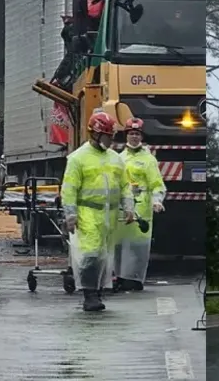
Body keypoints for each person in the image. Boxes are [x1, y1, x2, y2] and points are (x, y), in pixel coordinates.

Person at [62, 111, 134, 311]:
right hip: (88, 213)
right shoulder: (78, 158)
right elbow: (69, 188)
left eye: (111, 136)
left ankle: (98, 290)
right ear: (95, 134)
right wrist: (71, 214)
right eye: (107, 136)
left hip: (109, 215)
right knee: (90, 254)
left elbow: (125, 185)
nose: (110, 140)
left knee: (105, 255)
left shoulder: (116, 159)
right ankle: (90, 294)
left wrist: (129, 207)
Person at [114, 117, 166, 291]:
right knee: (121, 244)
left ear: (141, 137)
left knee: (138, 245)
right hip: (123, 207)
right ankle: (120, 276)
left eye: (137, 134)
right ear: (126, 135)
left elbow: (156, 184)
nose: (134, 137)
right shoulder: (119, 158)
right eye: (131, 133)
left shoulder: (149, 159)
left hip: (142, 206)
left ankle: (135, 279)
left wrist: (157, 201)